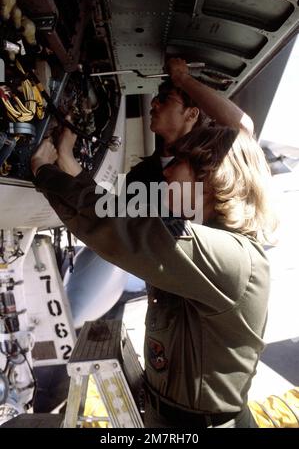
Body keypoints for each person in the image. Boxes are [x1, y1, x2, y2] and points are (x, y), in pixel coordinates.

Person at [30, 117, 277, 428]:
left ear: (212, 176)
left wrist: (43, 171)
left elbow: (123, 227)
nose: (167, 171)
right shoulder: (212, 246)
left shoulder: (233, 259)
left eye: (181, 162)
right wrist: (63, 160)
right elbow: (120, 215)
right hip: (167, 417)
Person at [126, 57, 254, 187]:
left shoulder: (206, 166)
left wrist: (182, 78)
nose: (154, 103)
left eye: (165, 99)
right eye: (157, 98)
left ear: (192, 114)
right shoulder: (139, 174)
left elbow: (241, 127)